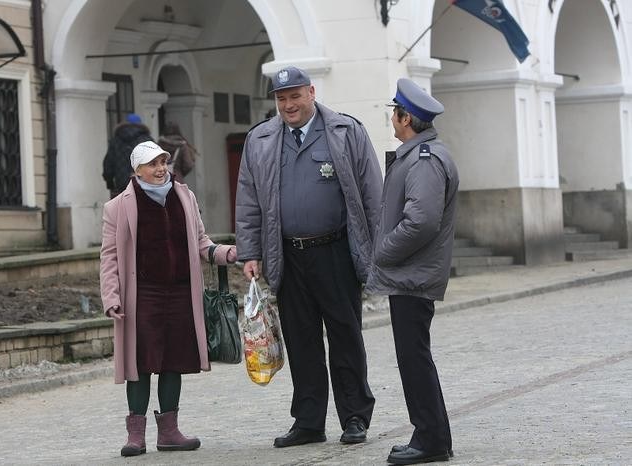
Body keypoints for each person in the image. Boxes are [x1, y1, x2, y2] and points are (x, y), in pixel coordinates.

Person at [235, 66, 382, 448]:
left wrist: (379, 249)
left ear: (312, 93)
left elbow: (371, 193)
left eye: (295, 96)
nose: (288, 105)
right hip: (287, 254)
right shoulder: (261, 139)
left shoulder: (345, 131)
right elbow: (249, 199)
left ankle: (354, 416)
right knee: (301, 342)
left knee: (345, 336)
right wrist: (250, 251)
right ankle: (309, 421)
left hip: (336, 251)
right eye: (281, 99)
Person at [100, 140, 237, 457]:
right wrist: (111, 297)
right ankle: (136, 435)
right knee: (141, 362)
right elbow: (108, 258)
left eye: (163, 162)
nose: (161, 169)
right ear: (138, 171)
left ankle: (170, 432)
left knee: (173, 359)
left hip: (180, 292)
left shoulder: (185, 197)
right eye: (153, 164)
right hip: (142, 294)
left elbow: (202, 243)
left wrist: (226, 253)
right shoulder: (118, 207)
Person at [366, 78, 459, 465]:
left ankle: (430, 440)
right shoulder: (418, 154)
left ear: (405, 118)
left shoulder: (425, 160)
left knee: (414, 359)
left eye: (394, 112)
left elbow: (420, 222)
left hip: (412, 275)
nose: (391, 117)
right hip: (411, 274)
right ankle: (433, 434)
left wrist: (382, 253)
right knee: (415, 357)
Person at [102, 113, 153, 198]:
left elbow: (108, 163)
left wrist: (109, 182)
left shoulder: (115, 141)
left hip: (121, 185)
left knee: (123, 210)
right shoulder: (147, 141)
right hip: (142, 184)